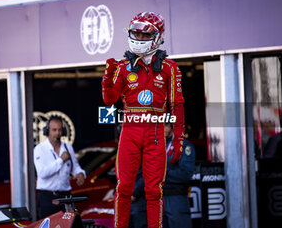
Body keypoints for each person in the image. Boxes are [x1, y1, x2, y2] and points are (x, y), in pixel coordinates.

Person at [101, 12, 185, 228]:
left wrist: (178, 138)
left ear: (157, 37)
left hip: (156, 134)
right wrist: (107, 79)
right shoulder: (121, 67)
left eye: (143, 34)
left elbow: (177, 105)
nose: (138, 38)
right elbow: (109, 100)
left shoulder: (169, 68)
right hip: (130, 132)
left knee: (153, 190)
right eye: (135, 33)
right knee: (124, 187)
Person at [129, 123, 196, 228]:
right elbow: (148, 173)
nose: (162, 129)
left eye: (165, 125)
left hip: (175, 198)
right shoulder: (155, 146)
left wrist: (164, 173)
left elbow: (186, 174)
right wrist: (135, 192)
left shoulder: (183, 146)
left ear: (172, 126)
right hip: (158, 199)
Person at [34, 116, 86, 219]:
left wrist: (80, 174)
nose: (57, 133)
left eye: (60, 130)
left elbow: (75, 167)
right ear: (47, 131)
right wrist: (61, 160)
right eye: (54, 130)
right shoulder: (39, 149)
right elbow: (42, 173)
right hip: (47, 196)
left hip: (65, 196)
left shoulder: (68, 147)